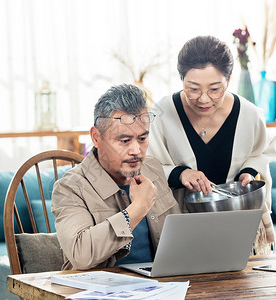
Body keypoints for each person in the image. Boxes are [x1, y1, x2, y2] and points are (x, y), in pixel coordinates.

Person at [147, 35, 276, 254]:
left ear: (229, 79)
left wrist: (249, 172)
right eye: (193, 89)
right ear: (181, 80)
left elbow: (262, 151)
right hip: (183, 225)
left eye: (215, 89)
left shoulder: (249, 115)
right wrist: (180, 174)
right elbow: (145, 165)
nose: (204, 99)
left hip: (237, 224)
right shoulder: (161, 113)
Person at [51, 84, 182, 270]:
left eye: (143, 139)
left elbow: (179, 235)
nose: (136, 151)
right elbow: (81, 255)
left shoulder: (152, 168)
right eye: (125, 141)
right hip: (100, 291)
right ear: (96, 138)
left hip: (162, 287)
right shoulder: (70, 188)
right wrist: (137, 209)